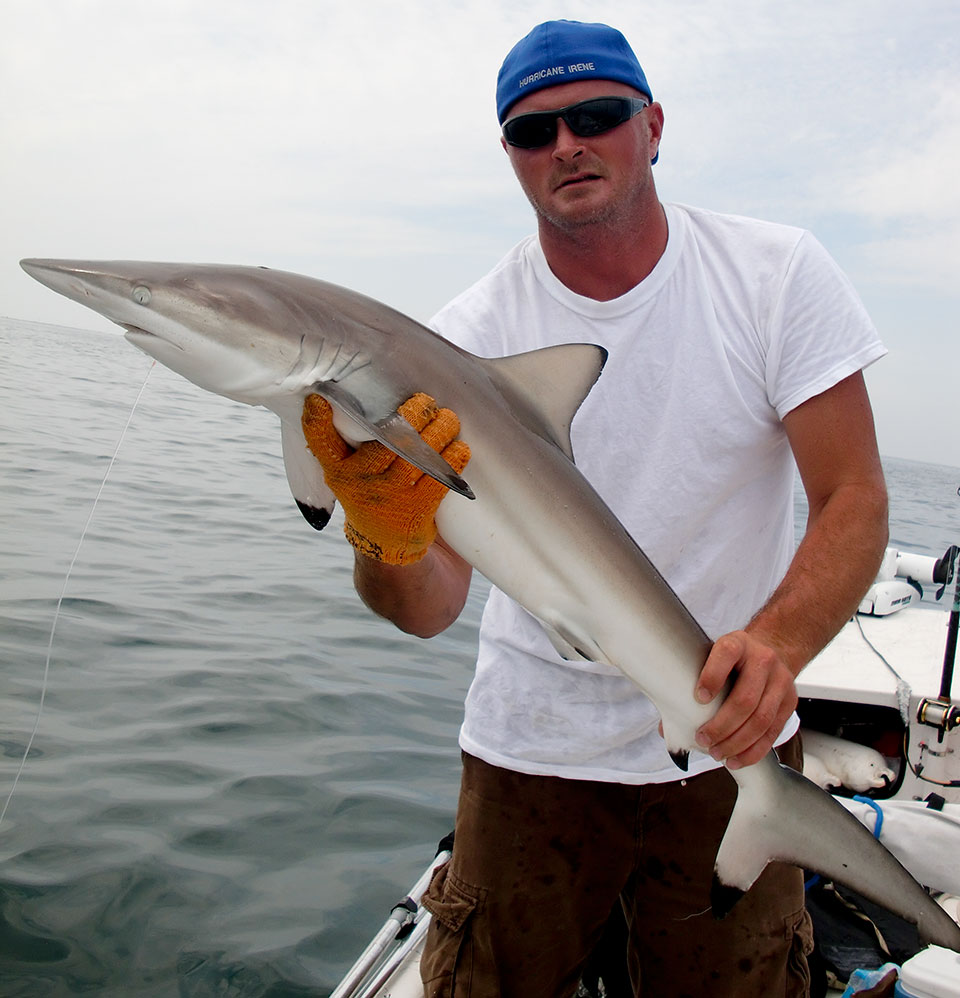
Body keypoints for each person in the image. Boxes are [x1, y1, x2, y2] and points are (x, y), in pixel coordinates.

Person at [302, 19, 889, 998]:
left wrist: (777, 646)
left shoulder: (773, 276)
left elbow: (855, 495)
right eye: (534, 131)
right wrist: (383, 534)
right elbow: (428, 606)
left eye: (597, 116)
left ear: (652, 125)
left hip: (726, 731)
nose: (566, 143)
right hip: (531, 752)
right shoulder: (463, 344)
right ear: (510, 157)